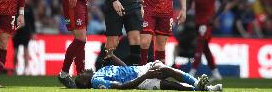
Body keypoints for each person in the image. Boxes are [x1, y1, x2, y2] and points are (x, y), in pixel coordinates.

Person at [75, 51, 223, 91]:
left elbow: (125, 70)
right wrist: (146, 75)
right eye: (80, 75)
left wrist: (113, 57)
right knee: (173, 86)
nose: (81, 72)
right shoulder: (96, 81)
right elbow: (121, 87)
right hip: (141, 80)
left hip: (141, 70)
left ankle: (202, 86)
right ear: (85, 82)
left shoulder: (101, 70)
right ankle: (202, 88)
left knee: (166, 70)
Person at [187, 0, 227, 82]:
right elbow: (189, 2)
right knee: (204, 47)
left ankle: (192, 71)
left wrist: (214, 17)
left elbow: (224, 1)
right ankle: (215, 72)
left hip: (207, 22)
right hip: (197, 21)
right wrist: (183, 12)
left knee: (200, 43)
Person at [13, 0, 36, 75]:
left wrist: (33, 32)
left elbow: (32, 21)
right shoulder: (16, 7)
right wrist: (13, 29)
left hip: (26, 32)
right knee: (16, 52)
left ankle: (26, 69)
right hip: (17, 33)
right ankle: (15, 68)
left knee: (26, 50)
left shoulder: (29, 8)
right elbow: (12, 18)